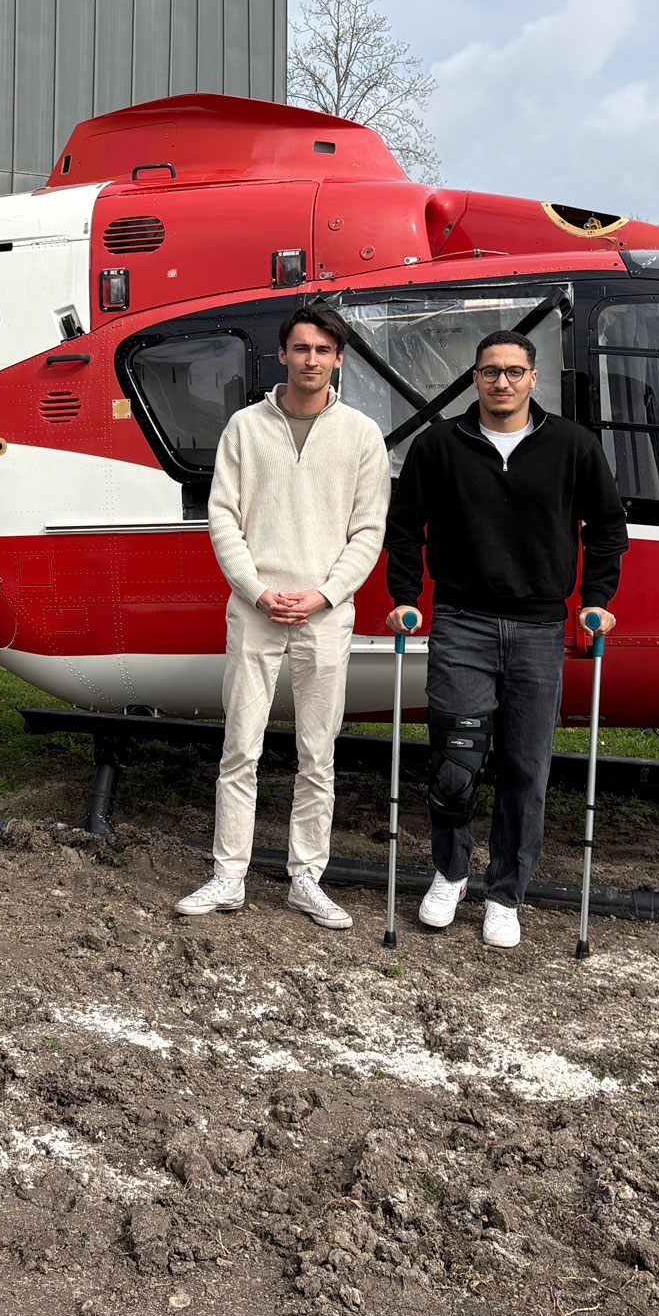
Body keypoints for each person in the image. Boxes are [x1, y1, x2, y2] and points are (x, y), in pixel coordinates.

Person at [382, 328, 627, 947]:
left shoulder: (572, 445)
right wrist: (406, 598)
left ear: (533, 378)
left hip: (540, 626)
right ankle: (450, 871)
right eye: (490, 371)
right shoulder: (440, 445)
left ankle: (506, 893)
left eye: (514, 371)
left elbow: (607, 526)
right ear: (474, 378)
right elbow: (404, 526)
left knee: (525, 767)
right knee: (455, 763)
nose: (502, 382)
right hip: (461, 621)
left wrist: (595, 601)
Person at [176, 306, 390, 930]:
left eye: (323, 349)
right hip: (255, 610)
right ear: (283, 354)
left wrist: (326, 594)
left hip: (326, 615)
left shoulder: (360, 435)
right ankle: (228, 875)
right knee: (239, 746)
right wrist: (255, 589)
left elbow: (368, 530)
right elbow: (224, 517)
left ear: (339, 358)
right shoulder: (244, 428)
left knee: (316, 752)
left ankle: (306, 878)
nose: (312, 359)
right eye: (301, 348)